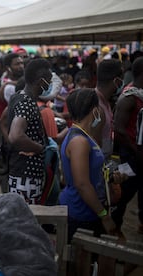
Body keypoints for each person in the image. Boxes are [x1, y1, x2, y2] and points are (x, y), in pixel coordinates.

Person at [59, 88, 120, 241]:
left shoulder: (86, 136)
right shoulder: (79, 141)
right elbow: (82, 184)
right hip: (80, 212)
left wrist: (111, 176)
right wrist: (104, 216)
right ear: (95, 110)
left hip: (88, 210)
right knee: (82, 261)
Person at [6, 58, 50, 204]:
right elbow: (16, 135)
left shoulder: (18, 96)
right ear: (40, 81)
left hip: (19, 172)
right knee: (26, 220)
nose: (49, 84)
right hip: (26, 176)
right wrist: (39, 148)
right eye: (48, 80)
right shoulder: (27, 103)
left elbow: (3, 121)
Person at [112, 56, 143, 233]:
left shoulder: (139, 93)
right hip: (129, 155)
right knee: (123, 192)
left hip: (138, 153)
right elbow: (119, 130)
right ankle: (114, 227)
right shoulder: (129, 97)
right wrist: (135, 149)